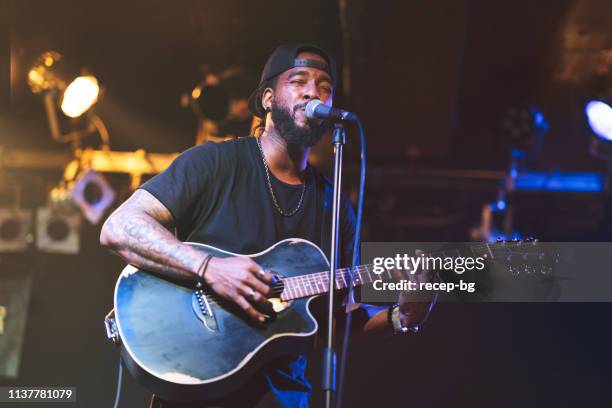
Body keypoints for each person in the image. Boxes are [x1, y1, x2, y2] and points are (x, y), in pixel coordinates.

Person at [100, 44, 435, 408]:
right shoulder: (215, 163)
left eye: (325, 86)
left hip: (284, 399)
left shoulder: (335, 206)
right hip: (197, 388)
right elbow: (119, 226)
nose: (313, 92)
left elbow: (335, 325)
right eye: (299, 81)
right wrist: (209, 268)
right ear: (268, 98)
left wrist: (401, 317)